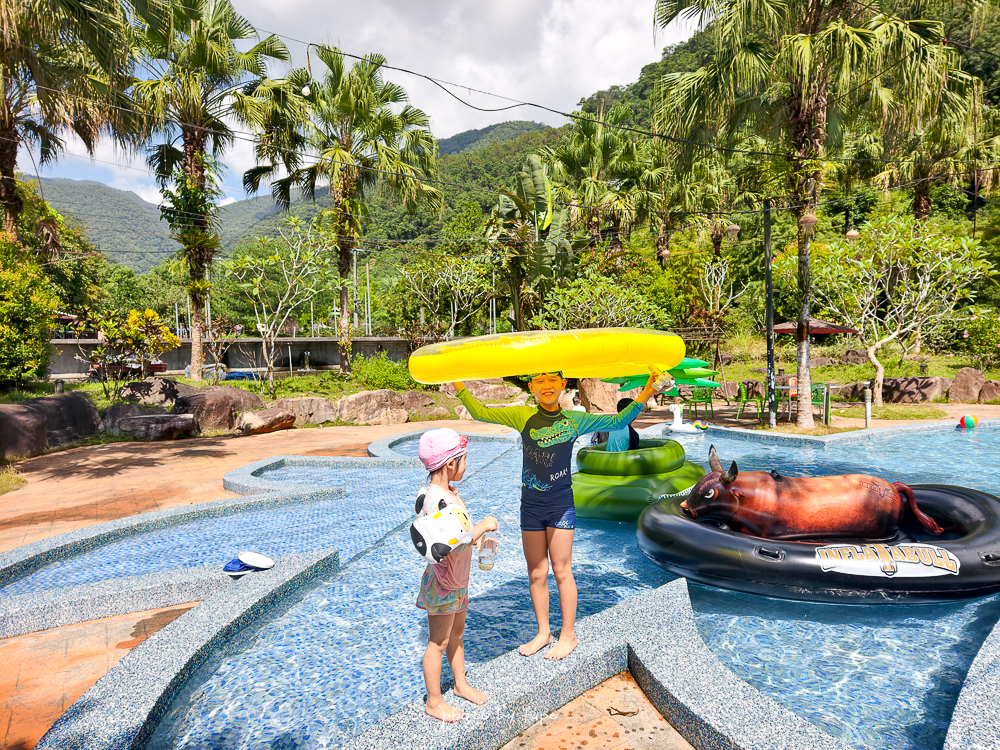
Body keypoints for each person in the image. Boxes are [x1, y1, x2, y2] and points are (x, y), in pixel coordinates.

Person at [453, 371, 666, 661]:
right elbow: (479, 412)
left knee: (562, 569)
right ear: (531, 387)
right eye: (539, 381)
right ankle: (543, 633)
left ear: (563, 384)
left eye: (553, 380)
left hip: (560, 504)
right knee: (536, 572)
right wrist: (456, 379)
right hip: (530, 506)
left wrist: (648, 391)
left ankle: (568, 635)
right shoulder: (522, 417)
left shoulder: (574, 421)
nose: (547, 386)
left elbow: (618, 421)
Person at [415, 428, 498, 722]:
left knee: (457, 634)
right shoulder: (437, 502)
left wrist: (477, 540)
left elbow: (456, 538)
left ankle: (460, 684)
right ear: (451, 463)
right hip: (444, 584)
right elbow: (455, 537)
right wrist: (485, 525)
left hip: (457, 581)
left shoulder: (447, 493)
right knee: (437, 643)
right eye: (464, 460)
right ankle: (434, 702)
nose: (466, 465)